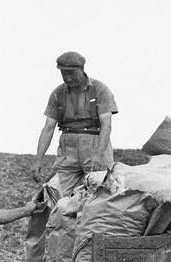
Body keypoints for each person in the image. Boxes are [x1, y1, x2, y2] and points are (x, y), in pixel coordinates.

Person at [33, 51, 117, 197]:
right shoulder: (58, 94)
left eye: (71, 73)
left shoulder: (100, 90)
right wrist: (38, 161)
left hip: (95, 144)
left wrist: (98, 154)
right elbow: (48, 128)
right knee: (55, 196)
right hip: (68, 149)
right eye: (64, 73)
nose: (68, 78)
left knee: (101, 195)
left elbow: (106, 125)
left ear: (82, 69)